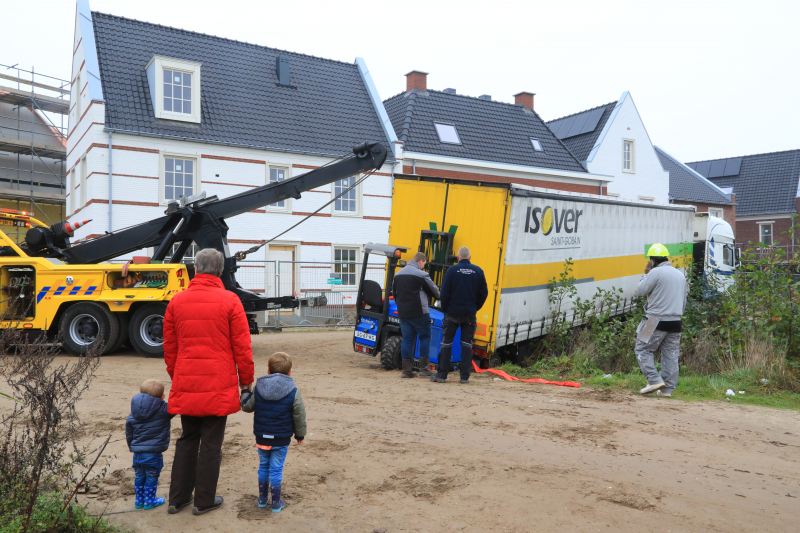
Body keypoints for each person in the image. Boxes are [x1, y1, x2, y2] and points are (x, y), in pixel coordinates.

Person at [163, 247, 254, 516]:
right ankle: (203, 500)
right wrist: (246, 380)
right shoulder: (230, 300)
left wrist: (178, 376)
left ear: (196, 269)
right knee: (211, 443)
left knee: (187, 439)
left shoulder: (176, 302)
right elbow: (242, 345)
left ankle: (177, 498)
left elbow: (170, 347)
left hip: (187, 382)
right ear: (221, 270)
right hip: (218, 384)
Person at [240, 352, 307, 513]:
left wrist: (245, 391)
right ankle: (276, 502)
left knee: (264, 465)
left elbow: (247, 407)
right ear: (290, 372)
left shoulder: (258, 388)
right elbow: (299, 415)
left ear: (268, 371)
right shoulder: (293, 391)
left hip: (262, 436)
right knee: (276, 469)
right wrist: (300, 435)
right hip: (281, 438)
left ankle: (262, 499)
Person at [634, 243, 688, 397]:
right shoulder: (680, 274)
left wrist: (646, 274)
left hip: (654, 320)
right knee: (670, 354)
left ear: (652, 261)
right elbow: (684, 301)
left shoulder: (655, 272)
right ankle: (667, 389)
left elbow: (640, 291)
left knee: (642, 348)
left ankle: (654, 380)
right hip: (676, 321)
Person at [433, 246, 488, 384]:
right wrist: (475, 307)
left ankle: (442, 376)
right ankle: (464, 377)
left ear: (458, 257)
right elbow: (484, 293)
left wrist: (446, 309)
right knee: (466, 344)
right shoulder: (478, 271)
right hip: (469, 313)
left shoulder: (452, 270)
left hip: (452, 313)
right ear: (470, 257)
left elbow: (444, 293)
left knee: (446, 343)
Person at [391, 252, 440, 378]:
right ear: (421, 261)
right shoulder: (422, 275)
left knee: (407, 340)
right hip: (420, 313)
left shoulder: (398, 274)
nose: (424, 266)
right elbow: (436, 292)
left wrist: (402, 307)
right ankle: (424, 369)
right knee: (425, 337)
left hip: (403, 313)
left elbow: (394, 293)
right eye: (424, 263)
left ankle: (406, 371)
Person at [125, 379, 172, 510]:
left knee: (139, 476)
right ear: (162, 396)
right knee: (152, 476)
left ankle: (139, 500)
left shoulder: (133, 412)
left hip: (137, 454)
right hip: (153, 454)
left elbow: (129, 433)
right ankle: (150, 501)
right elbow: (176, 407)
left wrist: (132, 447)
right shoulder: (164, 410)